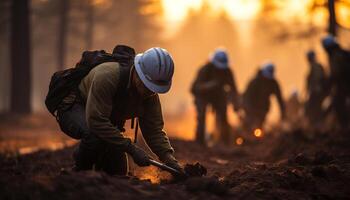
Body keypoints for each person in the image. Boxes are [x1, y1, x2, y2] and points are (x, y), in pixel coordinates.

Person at [56, 47, 182, 175]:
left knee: (118, 173)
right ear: (138, 72)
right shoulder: (107, 76)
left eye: (153, 89)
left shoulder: (150, 94)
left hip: (104, 117)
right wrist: (131, 149)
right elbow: (96, 122)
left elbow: (153, 130)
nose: (149, 92)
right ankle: (78, 173)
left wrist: (169, 158)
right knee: (94, 136)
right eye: (147, 86)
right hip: (74, 106)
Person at [191, 48, 240, 145]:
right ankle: (199, 141)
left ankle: (224, 142)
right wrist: (210, 85)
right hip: (203, 96)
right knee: (201, 116)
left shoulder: (228, 71)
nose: (220, 69)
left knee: (223, 116)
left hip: (218, 96)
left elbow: (234, 89)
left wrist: (236, 104)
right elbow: (194, 88)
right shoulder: (205, 69)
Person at [241, 62, 285, 132]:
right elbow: (247, 97)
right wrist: (248, 110)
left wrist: (283, 114)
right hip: (250, 108)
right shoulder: (254, 82)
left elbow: (279, 99)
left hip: (263, 109)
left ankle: (258, 140)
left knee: (259, 128)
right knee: (249, 126)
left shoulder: (273, 83)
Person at [322, 35, 350, 129]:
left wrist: (327, 84)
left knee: (338, 103)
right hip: (344, 83)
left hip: (344, 84)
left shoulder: (335, 56)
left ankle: (345, 127)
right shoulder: (342, 53)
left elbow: (336, 73)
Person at [304, 50, 328, 127]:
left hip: (317, 92)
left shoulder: (316, 67)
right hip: (316, 92)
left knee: (314, 109)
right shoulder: (314, 67)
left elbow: (319, 79)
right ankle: (317, 125)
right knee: (313, 109)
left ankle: (318, 125)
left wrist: (316, 89)